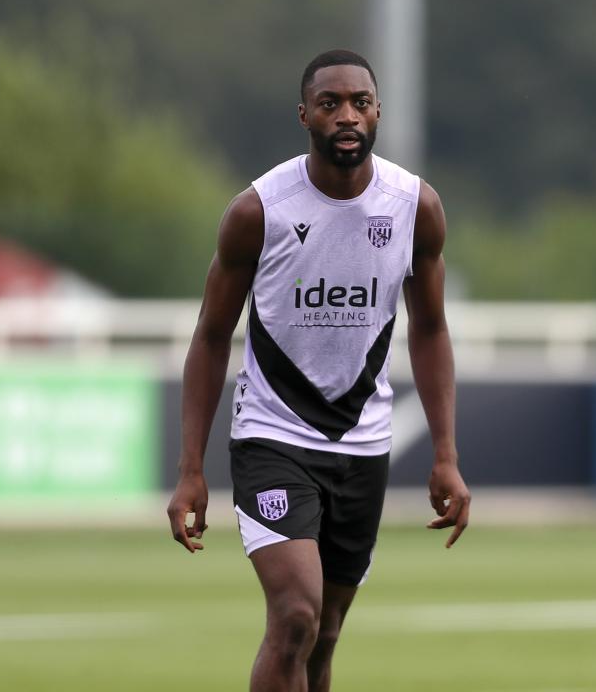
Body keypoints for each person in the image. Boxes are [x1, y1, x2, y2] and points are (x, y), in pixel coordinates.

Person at [167, 49, 470, 692]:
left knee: (325, 636)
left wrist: (445, 453)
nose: (347, 116)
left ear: (379, 111)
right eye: (330, 104)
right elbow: (211, 334)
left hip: (363, 444)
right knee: (296, 614)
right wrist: (191, 468)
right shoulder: (258, 212)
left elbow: (433, 328)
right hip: (273, 439)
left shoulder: (415, 207)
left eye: (360, 102)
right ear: (304, 114)